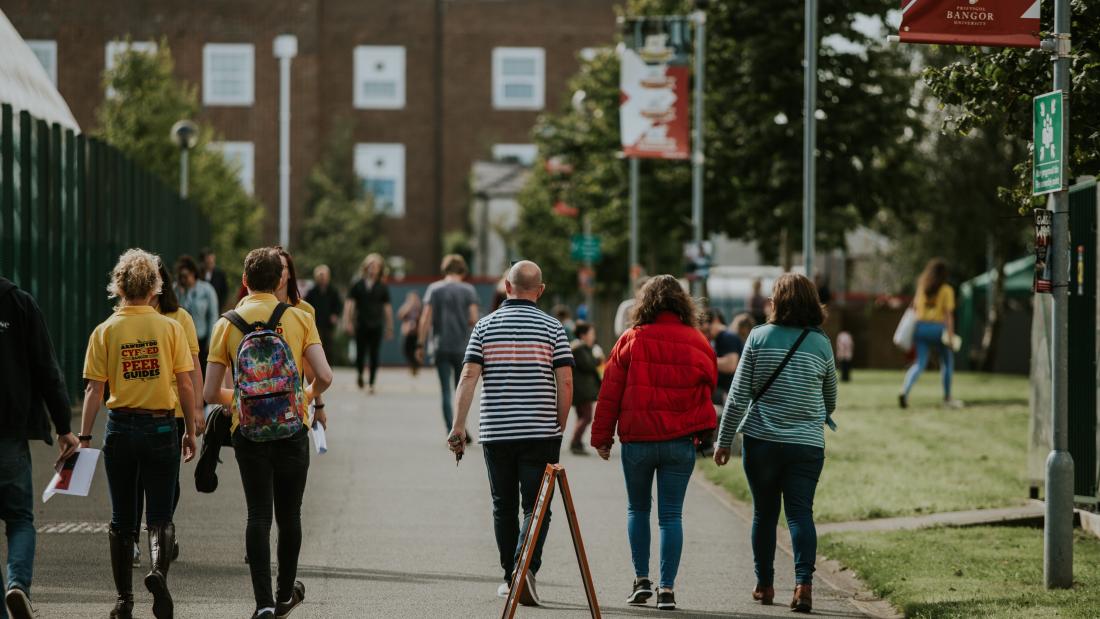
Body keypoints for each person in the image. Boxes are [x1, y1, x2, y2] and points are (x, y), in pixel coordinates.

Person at [204, 247, 333, 619]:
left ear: (245, 281)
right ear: (281, 280)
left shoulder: (226, 323)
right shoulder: (297, 318)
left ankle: (261, 602)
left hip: (248, 431)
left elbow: (211, 393)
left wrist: (243, 399)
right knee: (290, 514)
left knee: (258, 514)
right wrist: (303, 397)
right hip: (292, 428)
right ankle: (283, 595)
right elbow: (324, 377)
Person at [80, 249, 199, 619]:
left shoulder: (105, 330)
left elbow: (93, 391)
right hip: (162, 425)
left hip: (120, 427)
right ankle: (158, 572)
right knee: (161, 515)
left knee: (121, 519)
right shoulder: (171, 327)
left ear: (119, 285)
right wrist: (191, 431)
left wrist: (83, 438)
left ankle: (123, 601)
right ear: (154, 287)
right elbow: (185, 384)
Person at [448, 260, 574, 607]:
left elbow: (469, 376)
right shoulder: (554, 328)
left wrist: (459, 426)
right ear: (541, 290)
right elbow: (565, 380)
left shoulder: (485, 327)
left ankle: (512, 576)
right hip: (540, 430)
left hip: (496, 431)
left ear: (507, 286)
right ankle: (525, 570)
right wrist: (559, 424)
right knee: (538, 506)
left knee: (503, 505)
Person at [590, 275, 717, 611]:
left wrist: (602, 437)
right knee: (671, 516)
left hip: (638, 440)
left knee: (638, 509)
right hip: (679, 441)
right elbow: (708, 384)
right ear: (683, 304)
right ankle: (668, 589)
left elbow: (610, 393)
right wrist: (704, 431)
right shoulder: (698, 341)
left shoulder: (630, 339)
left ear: (643, 303)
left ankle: (641, 580)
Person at [714, 273, 837, 614]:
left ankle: (764, 585)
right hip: (807, 446)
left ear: (777, 302)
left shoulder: (758, 337)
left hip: (762, 442)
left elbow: (738, 397)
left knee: (765, 515)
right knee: (800, 515)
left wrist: (723, 441)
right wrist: (810, 413)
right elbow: (831, 398)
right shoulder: (822, 343)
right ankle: (803, 586)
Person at [0, 276, 78, 619]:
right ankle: (17, 585)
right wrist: (64, 428)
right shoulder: (19, 303)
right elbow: (47, 368)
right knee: (19, 519)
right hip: (9, 433)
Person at [132, 259, 205, 567]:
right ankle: (134, 539)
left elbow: (192, 366)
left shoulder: (180, 318)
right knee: (135, 480)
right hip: (136, 408)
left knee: (168, 481)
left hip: (172, 410)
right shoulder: (127, 317)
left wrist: (198, 407)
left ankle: (161, 530)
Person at [417, 254, 479, 433]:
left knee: (445, 390)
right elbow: (474, 318)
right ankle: (462, 427)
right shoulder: (469, 290)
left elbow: (425, 319)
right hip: (463, 347)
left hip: (440, 345)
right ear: (462, 269)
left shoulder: (434, 289)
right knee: (463, 388)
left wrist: (420, 344)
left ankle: (449, 429)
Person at [899, 259, 960, 408]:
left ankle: (904, 391)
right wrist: (950, 336)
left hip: (920, 328)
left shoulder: (922, 288)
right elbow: (948, 315)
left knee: (919, 364)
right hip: (938, 329)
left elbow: (915, 309)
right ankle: (947, 398)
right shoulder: (946, 290)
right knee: (947, 363)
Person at [345, 254, 393, 393]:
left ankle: (371, 383)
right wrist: (348, 321)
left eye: (376, 266)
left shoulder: (382, 286)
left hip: (377, 324)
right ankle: (360, 374)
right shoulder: (358, 284)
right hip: (361, 323)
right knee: (360, 353)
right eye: (371, 266)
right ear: (366, 268)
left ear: (380, 269)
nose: (373, 269)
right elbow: (350, 303)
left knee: (374, 354)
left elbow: (387, 308)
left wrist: (389, 327)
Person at [175, 255, 219, 373]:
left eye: (185, 276)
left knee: (201, 372)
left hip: (201, 338)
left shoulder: (206, 290)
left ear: (193, 273)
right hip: (182, 339)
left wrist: (211, 340)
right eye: (181, 277)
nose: (183, 279)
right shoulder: (176, 290)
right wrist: (182, 293)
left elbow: (212, 315)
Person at [705, 309, 744, 439]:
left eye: (707, 327)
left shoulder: (727, 336)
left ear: (715, 321)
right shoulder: (719, 339)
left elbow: (730, 365)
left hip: (728, 392)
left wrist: (703, 360)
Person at [569, 321, 601, 455]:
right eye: (591, 334)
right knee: (587, 417)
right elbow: (588, 365)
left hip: (581, 389)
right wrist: (598, 358)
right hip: (583, 390)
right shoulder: (579, 348)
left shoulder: (579, 348)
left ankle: (578, 442)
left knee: (581, 416)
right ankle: (575, 442)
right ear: (583, 335)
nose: (593, 337)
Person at [303, 265, 342, 359]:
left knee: (328, 346)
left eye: (324, 276)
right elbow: (306, 306)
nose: (323, 278)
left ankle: (328, 367)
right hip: (316, 323)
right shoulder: (311, 292)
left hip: (328, 323)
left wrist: (335, 315)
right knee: (316, 345)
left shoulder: (333, 291)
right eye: (320, 276)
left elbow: (338, 305)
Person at [397, 291, 423, 376]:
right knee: (406, 350)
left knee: (416, 350)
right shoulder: (407, 307)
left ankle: (415, 366)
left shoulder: (420, 308)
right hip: (407, 333)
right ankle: (413, 365)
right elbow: (400, 315)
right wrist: (409, 305)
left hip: (416, 333)